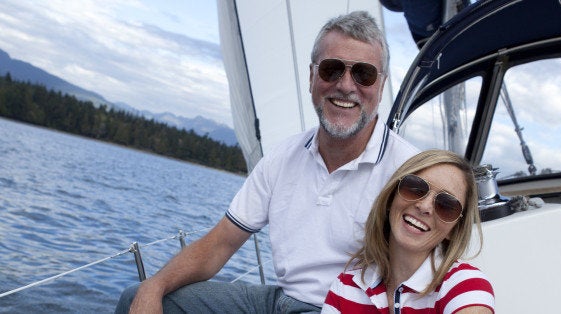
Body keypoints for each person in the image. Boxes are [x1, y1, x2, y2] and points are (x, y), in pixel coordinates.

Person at [115, 10, 419, 313]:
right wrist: (153, 286)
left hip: (348, 309)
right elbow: (220, 243)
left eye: (363, 74)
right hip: (280, 301)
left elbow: (434, 277)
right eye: (331, 69)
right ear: (312, 76)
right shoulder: (283, 157)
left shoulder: (409, 171)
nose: (346, 86)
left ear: (381, 85)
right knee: (138, 296)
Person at [322, 149, 495, 313]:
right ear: (391, 198)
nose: (424, 206)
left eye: (446, 205)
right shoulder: (345, 288)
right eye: (414, 188)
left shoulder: (465, 285)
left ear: (454, 229)